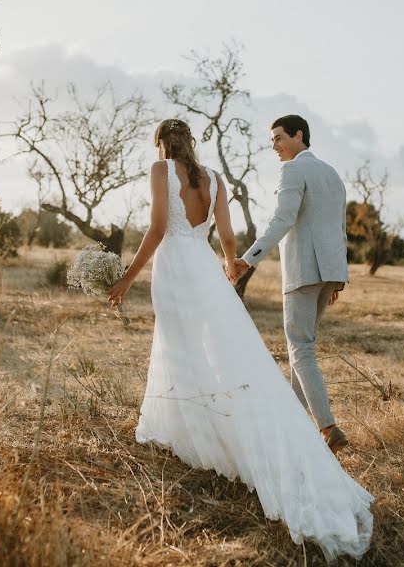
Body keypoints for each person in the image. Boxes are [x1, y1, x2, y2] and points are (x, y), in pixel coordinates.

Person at [108, 118, 372, 561]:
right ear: (191, 142)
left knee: (178, 346)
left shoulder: (161, 171)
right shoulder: (215, 178)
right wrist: (230, 266)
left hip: (174, 265)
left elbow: (156, 229)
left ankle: (190, 424)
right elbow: (227, 236)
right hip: (206, 266)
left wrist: (126, 279)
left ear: (161, 144)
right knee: (223, 350)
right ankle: (237, 418)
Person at [229, 114, 351, 454]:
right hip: (330, 272)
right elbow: (339, 228)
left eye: (279, 138)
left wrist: (248, 258)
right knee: (303, 348)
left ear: (299, 136)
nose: (275, 146)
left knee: (301, 348)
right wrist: (338, 276)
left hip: (304, 270)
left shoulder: (293, 169)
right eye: (272, 141)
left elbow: (283, 218)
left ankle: (327, 427)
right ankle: (294, 423)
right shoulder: (332, 173)